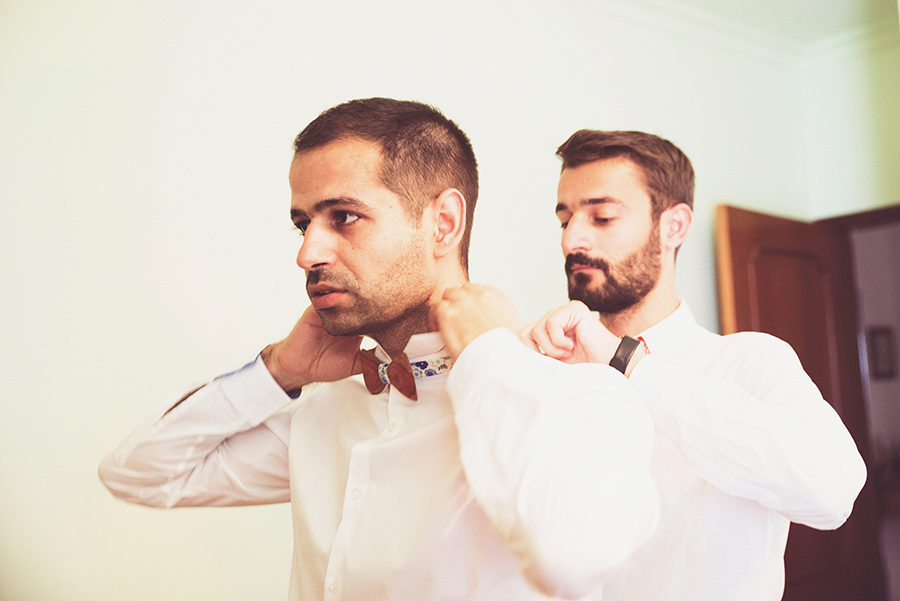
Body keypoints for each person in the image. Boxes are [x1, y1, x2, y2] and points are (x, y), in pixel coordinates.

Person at [99, 99, 660, 601]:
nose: (308, 253)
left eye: (344, 217)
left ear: (444, 223)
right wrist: (277, 371)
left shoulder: (577, 392)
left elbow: (573, 558)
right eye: (303, 224)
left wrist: (488, 355)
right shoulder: (328, 412)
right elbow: (138, 473)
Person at [522, 129, 867, 601]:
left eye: (601, 217)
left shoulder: (750, 362)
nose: (571, 239)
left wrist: (626, 362)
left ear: (674, 226)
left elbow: (833, 493)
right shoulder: (547, 369)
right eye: (565, 220)